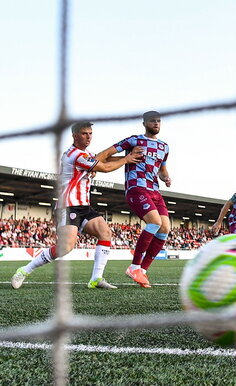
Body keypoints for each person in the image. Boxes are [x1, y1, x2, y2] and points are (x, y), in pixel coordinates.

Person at [11, 122, 143, 289]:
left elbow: (104, 158)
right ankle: (24, 271)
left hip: (84, 206)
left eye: (90, 133)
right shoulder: (75, 155)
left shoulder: (86, 154)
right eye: (84, 133)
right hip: (68, 206)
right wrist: (127, 159)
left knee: (105, 233)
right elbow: (106, 167)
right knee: (65, 247)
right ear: (74, 135)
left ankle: (96, 279)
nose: (88, 137)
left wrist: (128, 156)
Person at [95, 111, 171, 288]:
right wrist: (125, 158)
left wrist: (166, 178)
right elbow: (104, 155)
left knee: (165, 228)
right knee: (155, 222)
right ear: (144, 123)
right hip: (137, 187)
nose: (156, 124)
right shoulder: (134, 140)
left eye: (159, 121)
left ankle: (142, 270)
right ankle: (134, 266)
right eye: (153, 121)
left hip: (155, 190)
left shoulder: (164, 147)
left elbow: (162, 169)